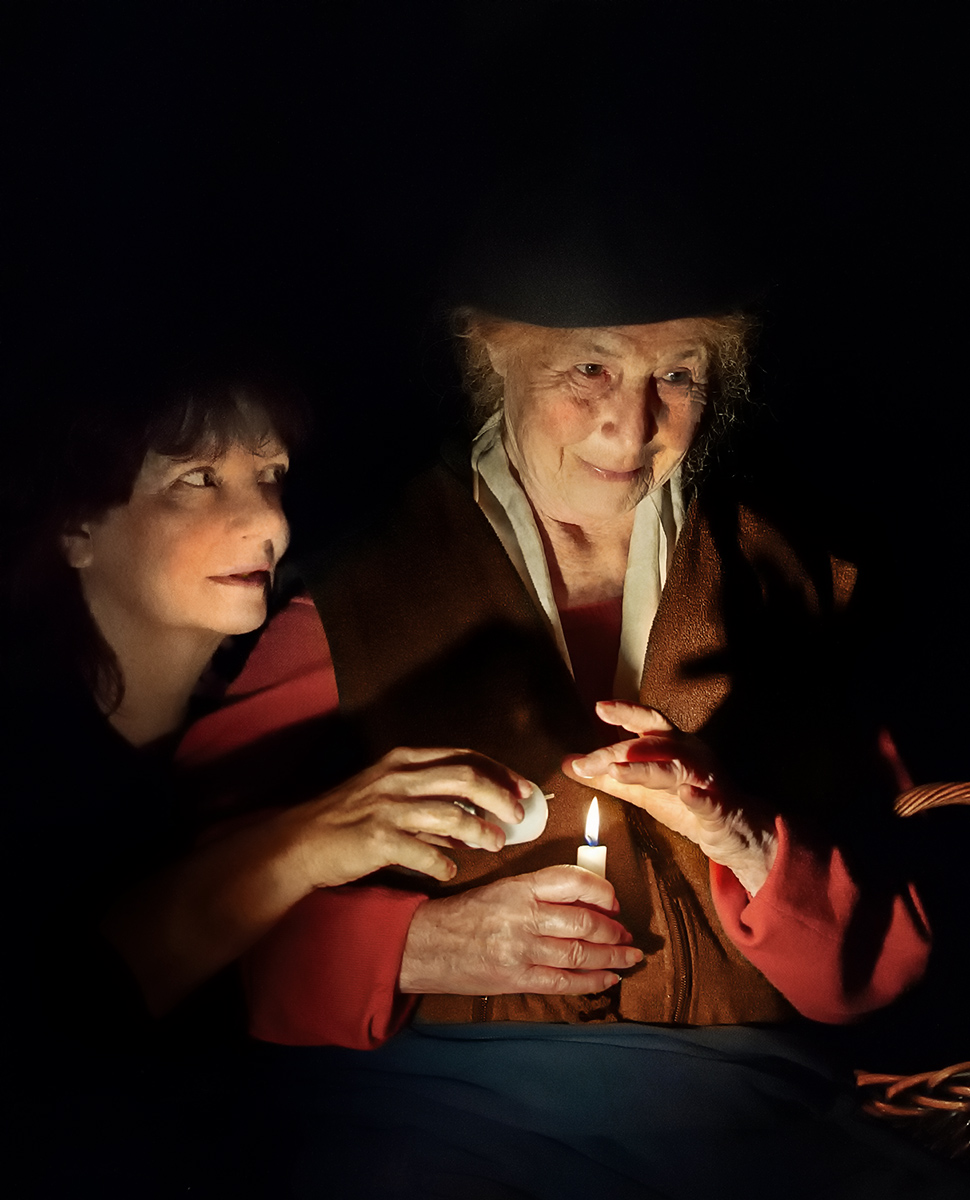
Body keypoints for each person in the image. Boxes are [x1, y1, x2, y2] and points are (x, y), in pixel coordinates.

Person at [178, 188, 967, 1195]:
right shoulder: (351, 592)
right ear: (489, 361)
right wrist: (410, 947)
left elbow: (884, 966)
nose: (631, 421)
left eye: (676, 373)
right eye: (588, 365)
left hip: (751, 1107)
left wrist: (742, 835)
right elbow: (177, 924)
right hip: (429, 1099)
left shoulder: (792, 582)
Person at [0, 355, 529, 1197]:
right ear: (75, 527)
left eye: (271, 474)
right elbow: (54, 1026)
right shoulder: (26, 764)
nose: (265, 522)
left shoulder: (248, 725)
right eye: (197, 480)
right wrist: (306, 846)